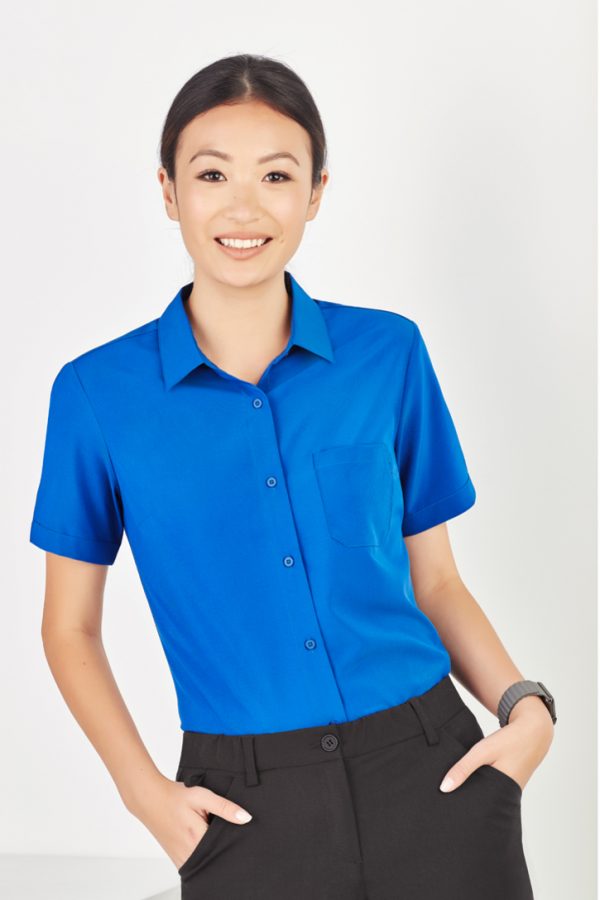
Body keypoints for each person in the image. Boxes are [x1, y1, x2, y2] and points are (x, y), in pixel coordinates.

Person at [29, 54, 555, 899]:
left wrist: (525, 708)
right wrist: (144, 796)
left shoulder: (388, 354)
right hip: (243, 808)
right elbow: (69, 629)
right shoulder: (97, 395)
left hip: (436, 772)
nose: (244, 207)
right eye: (212, 174)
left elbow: (436, 581)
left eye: (276, 175)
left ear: (314, 193)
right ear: (169, 192)